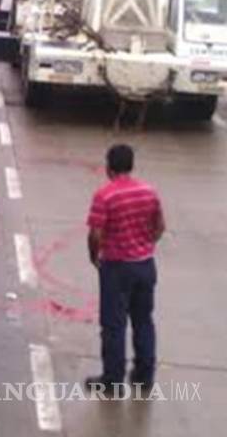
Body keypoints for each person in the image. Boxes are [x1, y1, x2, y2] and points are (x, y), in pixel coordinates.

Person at [85, 144, 165, 394]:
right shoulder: (149, 192)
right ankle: (143, 376)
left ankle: (112, 380)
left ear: (109, 167)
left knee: (114, 325)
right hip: (145, 265)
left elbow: (95, 234)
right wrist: (144, 245)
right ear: (131, 165)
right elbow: (160, 227)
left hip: (117, 267)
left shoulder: (105, 195)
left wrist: (94, 256)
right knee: (143, 321)